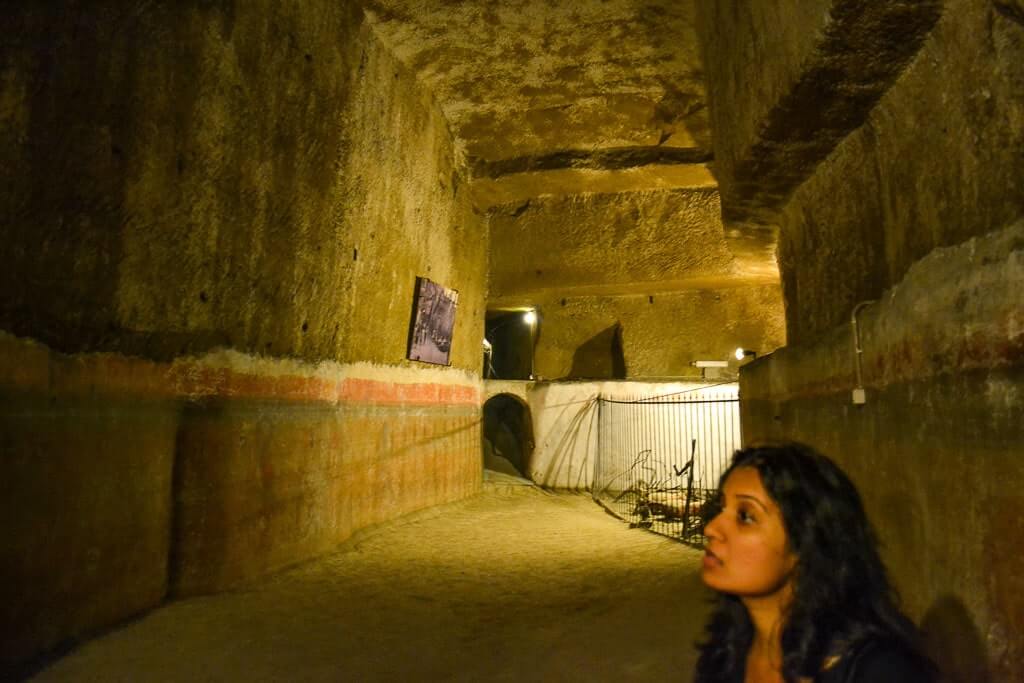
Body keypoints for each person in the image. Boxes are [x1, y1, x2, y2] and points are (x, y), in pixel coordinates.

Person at [694, 443, 936, 683]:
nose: (711, 528)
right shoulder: (726, 650)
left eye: (745, 516)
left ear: (805, 545)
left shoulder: (878, 671)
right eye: (720, 507)